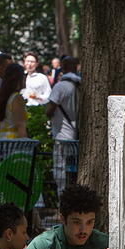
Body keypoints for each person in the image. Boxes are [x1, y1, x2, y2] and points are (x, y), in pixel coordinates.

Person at [46, 57, 80, 191]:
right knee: (74, 172)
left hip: (62, 136)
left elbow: (49, 110)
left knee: (61, 174)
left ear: (63, 68)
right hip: (77, 137)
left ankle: (63, 204)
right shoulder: (81, 86)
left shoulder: (60, 87)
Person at [0, 63, 28, 139]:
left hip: (2, 138)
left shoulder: (3, 96)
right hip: (14, 140)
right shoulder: (17, 98)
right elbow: (19, 125)